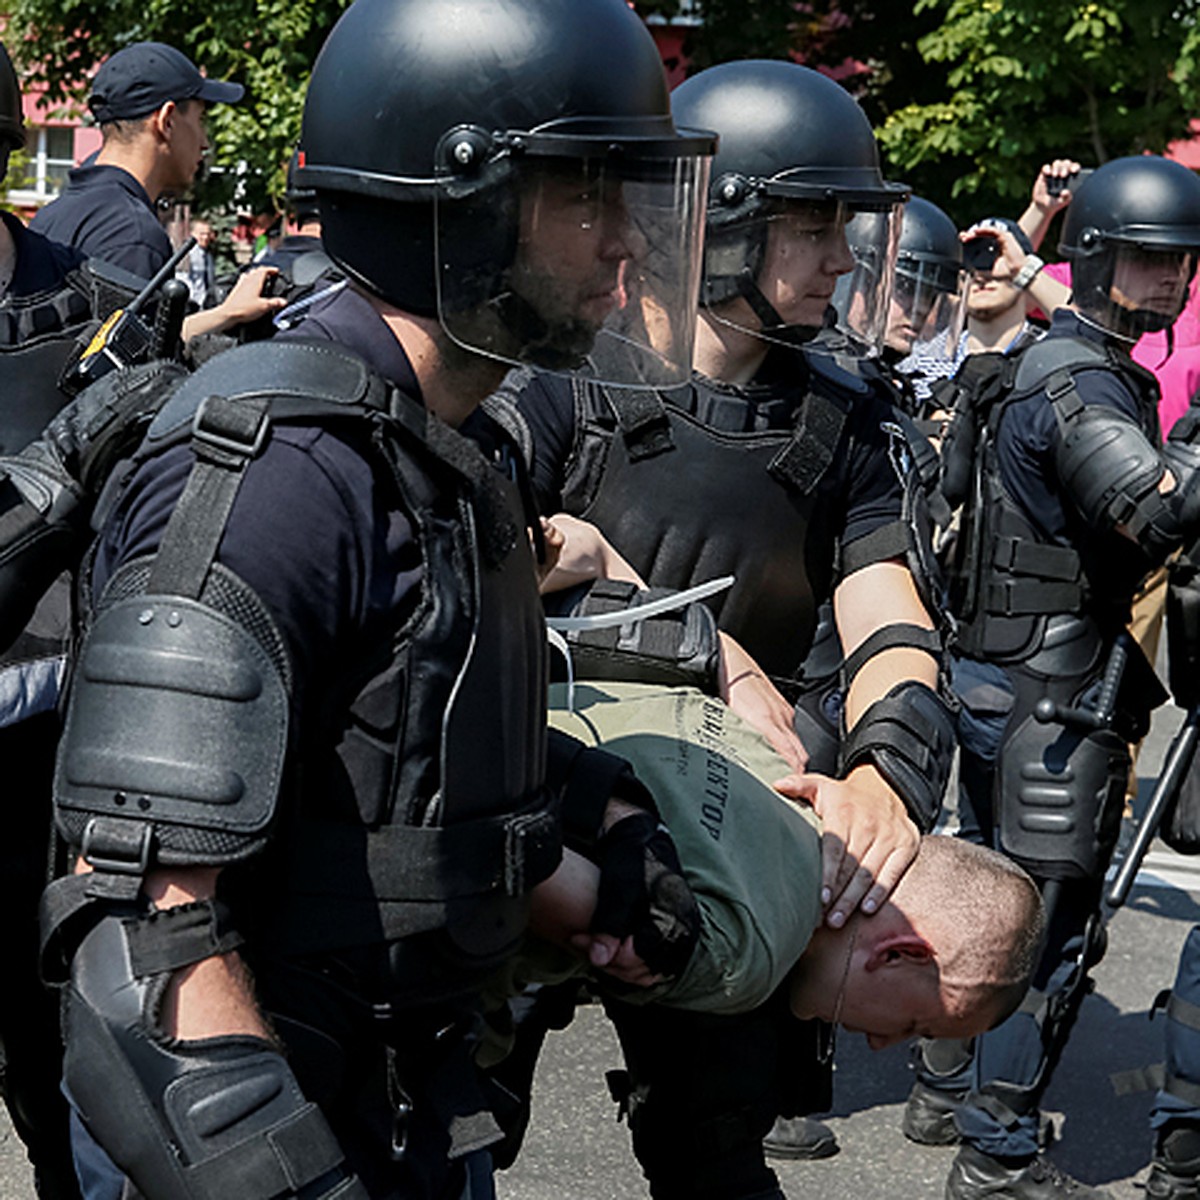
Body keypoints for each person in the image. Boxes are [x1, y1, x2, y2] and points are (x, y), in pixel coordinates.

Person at [35, 2, 715, 1198]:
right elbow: (137, 931)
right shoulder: (279, 473)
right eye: (584, 196)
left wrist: (589, 819)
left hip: (408, 1105)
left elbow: (397, 732)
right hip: (266, 1137)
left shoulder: (454, 443)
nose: (628, 247)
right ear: (450, 200)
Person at [502, 58, 957, 1195]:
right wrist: (679, 630)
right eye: (811, 226)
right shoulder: (552, 375)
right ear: (714, 223)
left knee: (713, 1144)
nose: (844, 260)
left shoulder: (847, 419)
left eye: (849, 226)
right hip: (533, 802)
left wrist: (885, 786)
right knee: (453, 1127)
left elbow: (890, 621)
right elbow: (471, 574)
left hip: (727, 820)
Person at [907, 155, 1200, 1199]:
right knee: (1047, 936)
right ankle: (996, 1153)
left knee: (984, 899)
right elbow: (1156, 511)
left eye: (1180, 264)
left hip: (1002, 678)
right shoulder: (1077, 379)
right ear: (1092, 257)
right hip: (1048, 690)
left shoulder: (1035, 357)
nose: (1166, 281)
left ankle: (946, 1092)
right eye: (1145, 260)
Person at [522, 680, 1044, 1039]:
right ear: (899, 953)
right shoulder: (746, 953)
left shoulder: (772, 749)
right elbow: (517, 862)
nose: (882, 1045)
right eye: (913, 1028)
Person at [31, 42, 241, 279]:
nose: (205, 142)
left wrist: (225, 315)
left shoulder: (53, 214)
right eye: (200, 120)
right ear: (167, 121)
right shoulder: (134, 236)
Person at [177, 215, 216, 307]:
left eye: (208, 234)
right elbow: (183, 277)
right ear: (192, 234)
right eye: (201, 234)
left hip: (203, 302)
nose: (205, 237)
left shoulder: (207, 255)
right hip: (191, 303)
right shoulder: (187, 254)